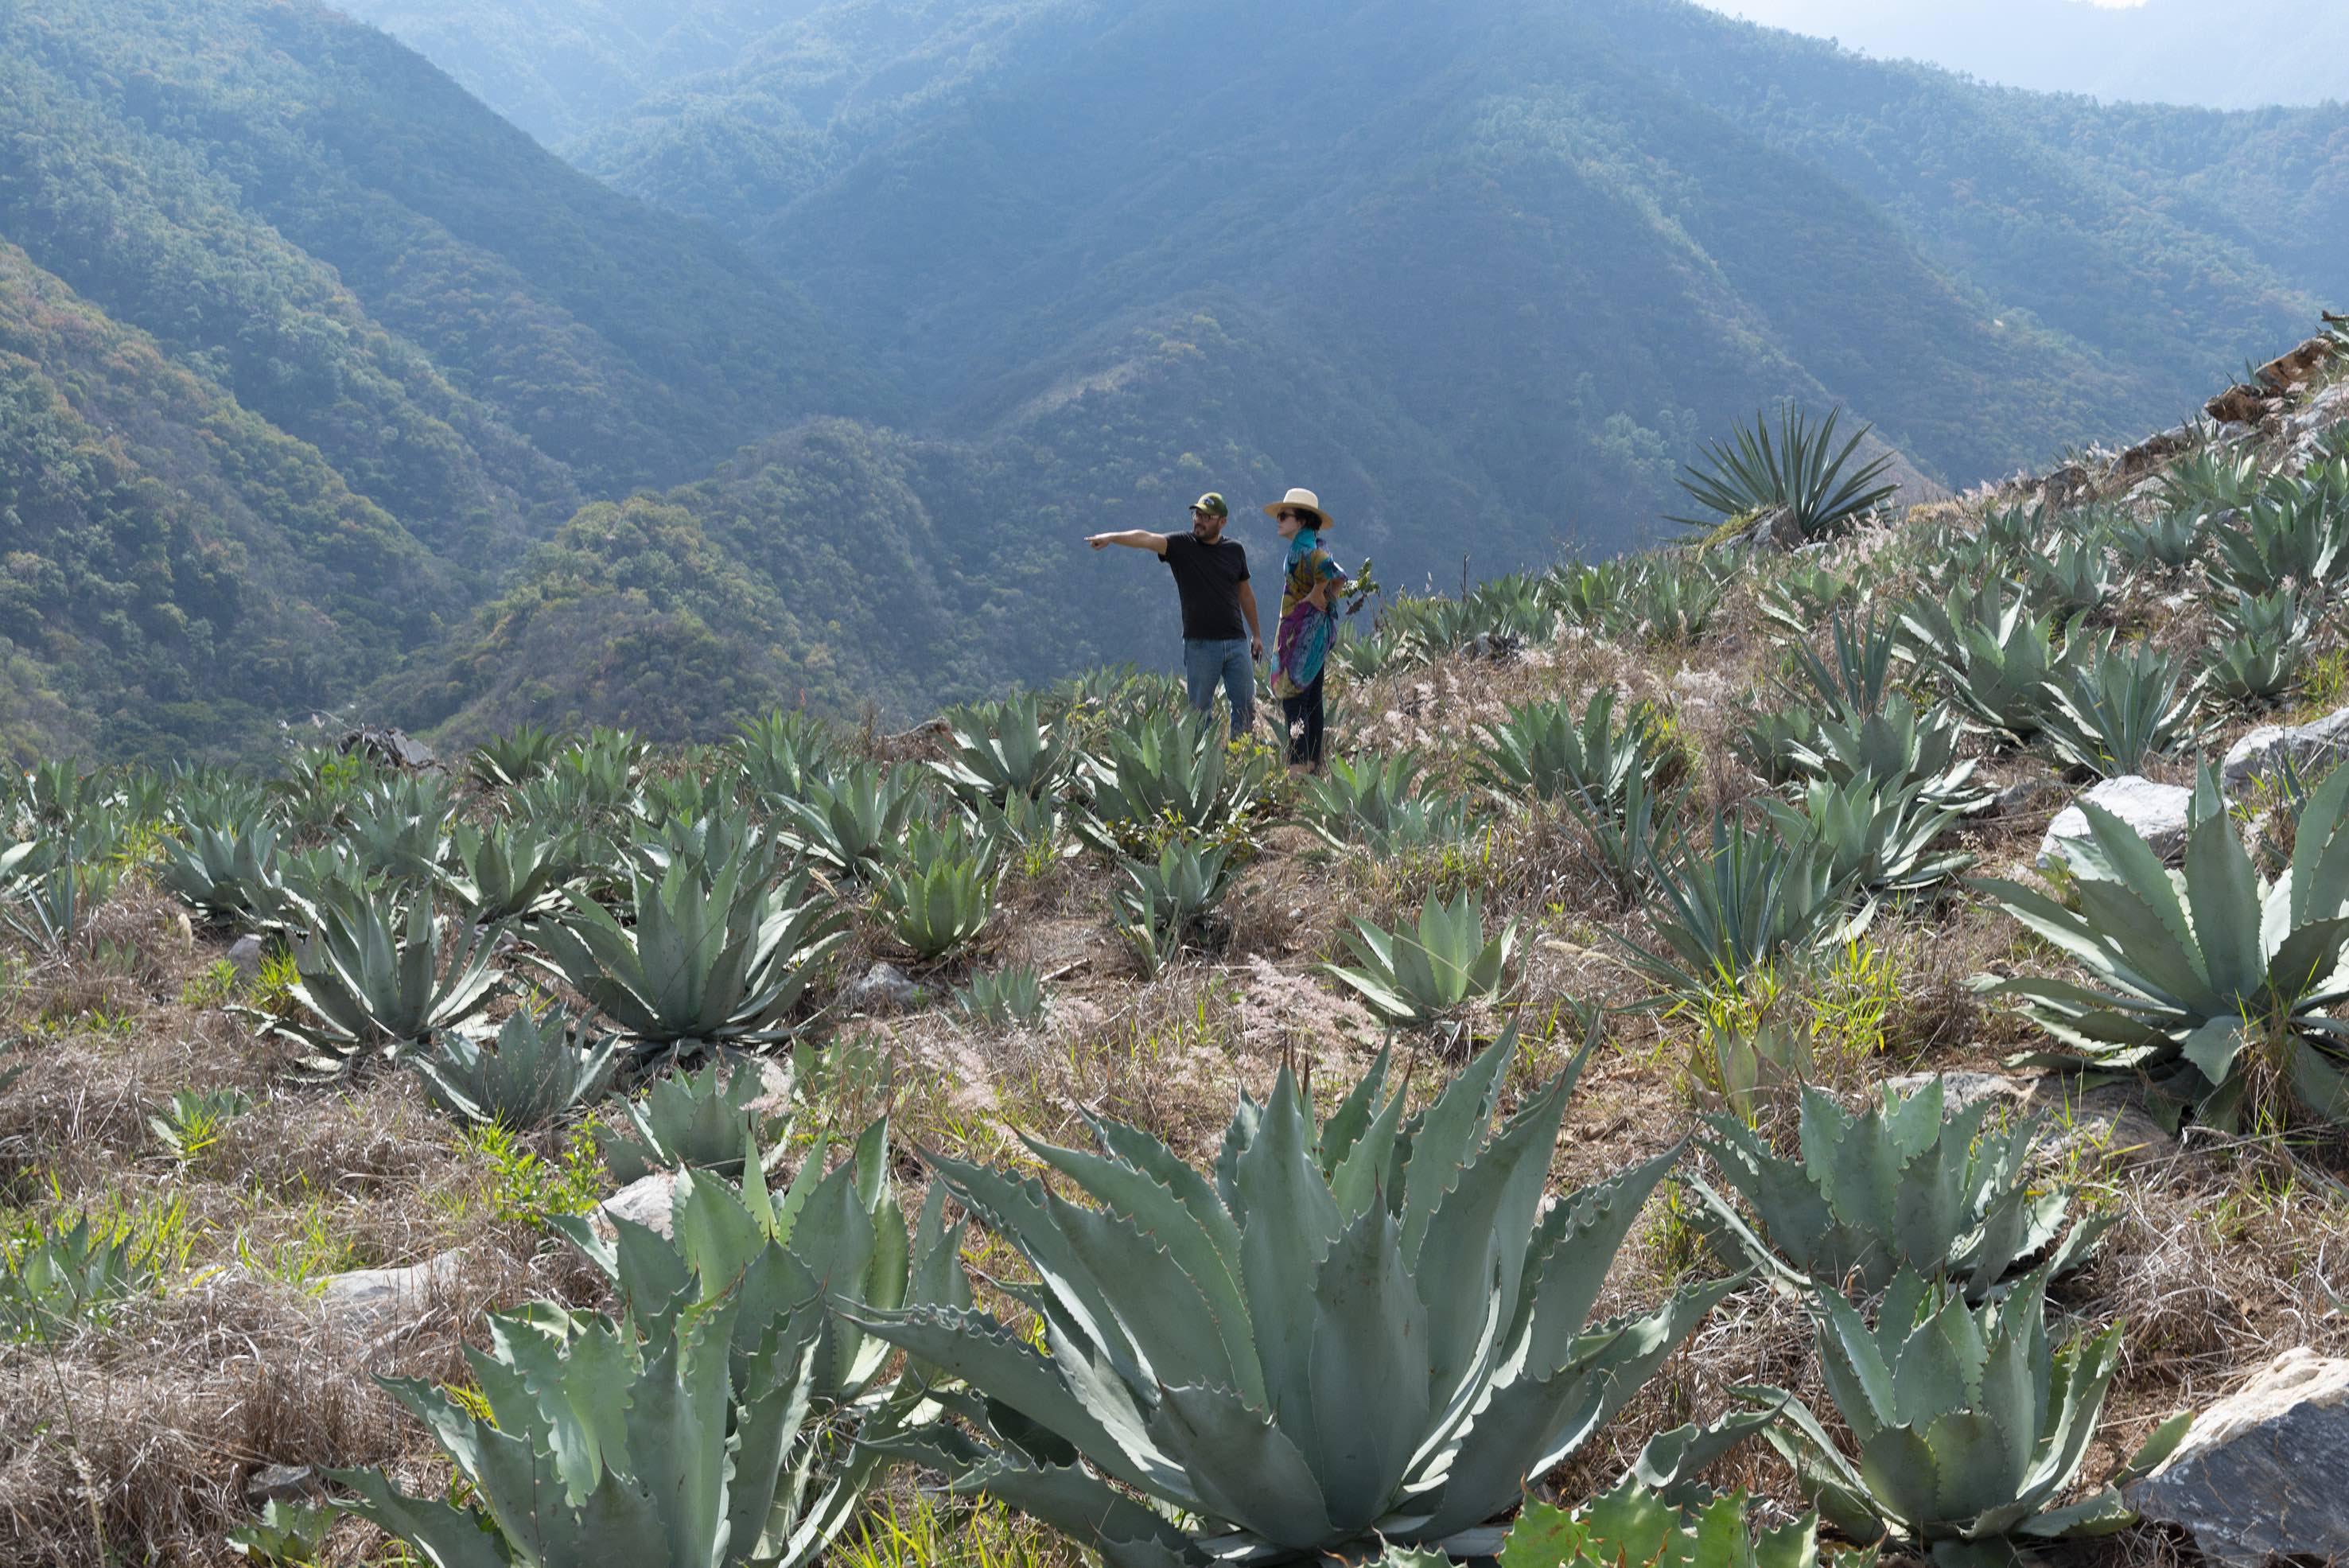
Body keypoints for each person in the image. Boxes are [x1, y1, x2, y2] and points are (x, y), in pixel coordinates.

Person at [1086, 492, 1263, 738]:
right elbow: (1146, 538)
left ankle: (1238, 760)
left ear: (1222, 522)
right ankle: (1202, 766)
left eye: (1206, 517)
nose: (1199, 521)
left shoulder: (1235, 550)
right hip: (1200, 645)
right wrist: (1112, 538)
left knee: (1245, 707)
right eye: (1197, 514)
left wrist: (1256, 635)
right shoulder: (1182, 545)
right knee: (1199, 713)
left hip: (1236, 642)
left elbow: (1245, 593)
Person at [1265, 487, 1348, 771]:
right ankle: (1313, 765)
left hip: (1299, 639)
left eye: (1284, 515)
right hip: (1314, 636)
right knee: (1312, 701)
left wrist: (1318, 593)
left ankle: (1298, 769)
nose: (1279, 520)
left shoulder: (1305, 551)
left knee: (1294, 702)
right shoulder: (1314, 545)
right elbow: (1338, 576)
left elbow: (1331, 571)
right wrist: (1325, 597)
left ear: (1300, 521)